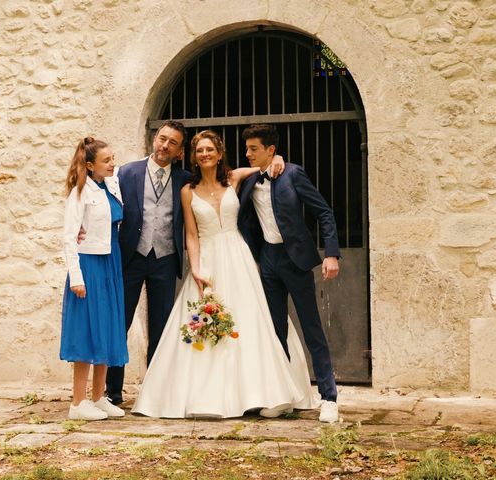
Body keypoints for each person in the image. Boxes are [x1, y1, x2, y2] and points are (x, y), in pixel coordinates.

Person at [132, 130, 316, 418]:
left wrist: (278, 157)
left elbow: (264, 165)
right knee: (206, 324)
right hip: (208, 259)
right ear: (193, 156)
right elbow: (191, 235)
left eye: (210, 149)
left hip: (238, 256)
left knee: (252, 321)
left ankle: (263, 393)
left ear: (219, 154)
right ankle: (208, 395)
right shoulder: (187, 191)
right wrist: (196, 268)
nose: (205, 154)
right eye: (199, 150)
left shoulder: (234, 179)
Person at [237, 124, 341, 423]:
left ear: (270, 150)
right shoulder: (249, 181)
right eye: (247, 149)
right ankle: (281, 396)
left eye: (253, 149)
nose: (248, 153)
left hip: (295, 259)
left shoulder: (293, 174)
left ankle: (329, 398)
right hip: (267, 260)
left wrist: (331, 253)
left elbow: (324, 212)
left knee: (312, 329)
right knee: (274, 331)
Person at [104, 121, 192, 406]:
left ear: (180, 151)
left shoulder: (185, 179)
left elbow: (225, 179)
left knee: (162, 326)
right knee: (121, 323)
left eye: (173, 143)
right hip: (130, 257)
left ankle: (155, 391)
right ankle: (113, 390)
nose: (165, 146)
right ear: (155, 138)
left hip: (165, 260)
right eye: (162, 138)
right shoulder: (127, 172)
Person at [61, 137, 128, 420]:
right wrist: (76, 276)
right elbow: (68, 237)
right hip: (89, 265)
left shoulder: (111, 185)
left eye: (113, 158)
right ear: (89, 166)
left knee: (108, 327)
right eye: (106, 160)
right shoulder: (79, 193)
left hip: (110, 261)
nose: (113, 164)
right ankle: (78, 403)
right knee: (86, 331)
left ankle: (99, 397)